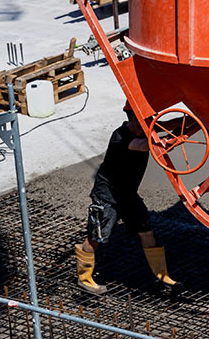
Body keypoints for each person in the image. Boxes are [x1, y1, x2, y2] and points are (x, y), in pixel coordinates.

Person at [75, 104, 177, 295]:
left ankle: (162, 276)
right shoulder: (119, 137)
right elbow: (145, 146)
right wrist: (174, 139)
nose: (150, 125)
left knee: (146, 232)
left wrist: (192, 124)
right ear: (133, 119)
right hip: (108, 197)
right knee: (96, 236)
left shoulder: (146, 127)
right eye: (146, 121)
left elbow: (167, 125)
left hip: (128, 194)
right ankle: (85, 277)